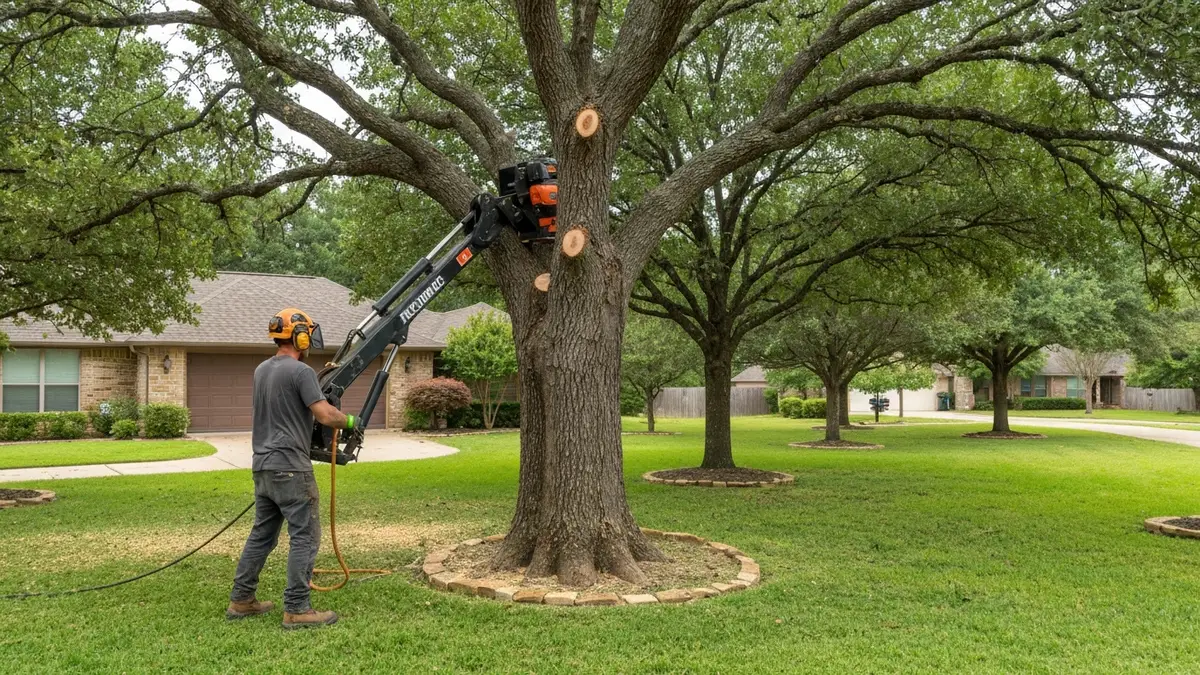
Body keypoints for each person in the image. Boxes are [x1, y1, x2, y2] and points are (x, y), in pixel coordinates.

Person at [226, 308, 357, 629]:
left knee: (262, 535)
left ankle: (241, 600)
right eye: (308, 334)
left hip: (263, 467)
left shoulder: (261, 370)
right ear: (300, 336)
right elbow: (325, 415)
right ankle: (297, 608)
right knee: (305, 536)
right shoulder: (301, 373)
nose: (310, 339)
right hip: (291, 469)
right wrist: (352, 421)